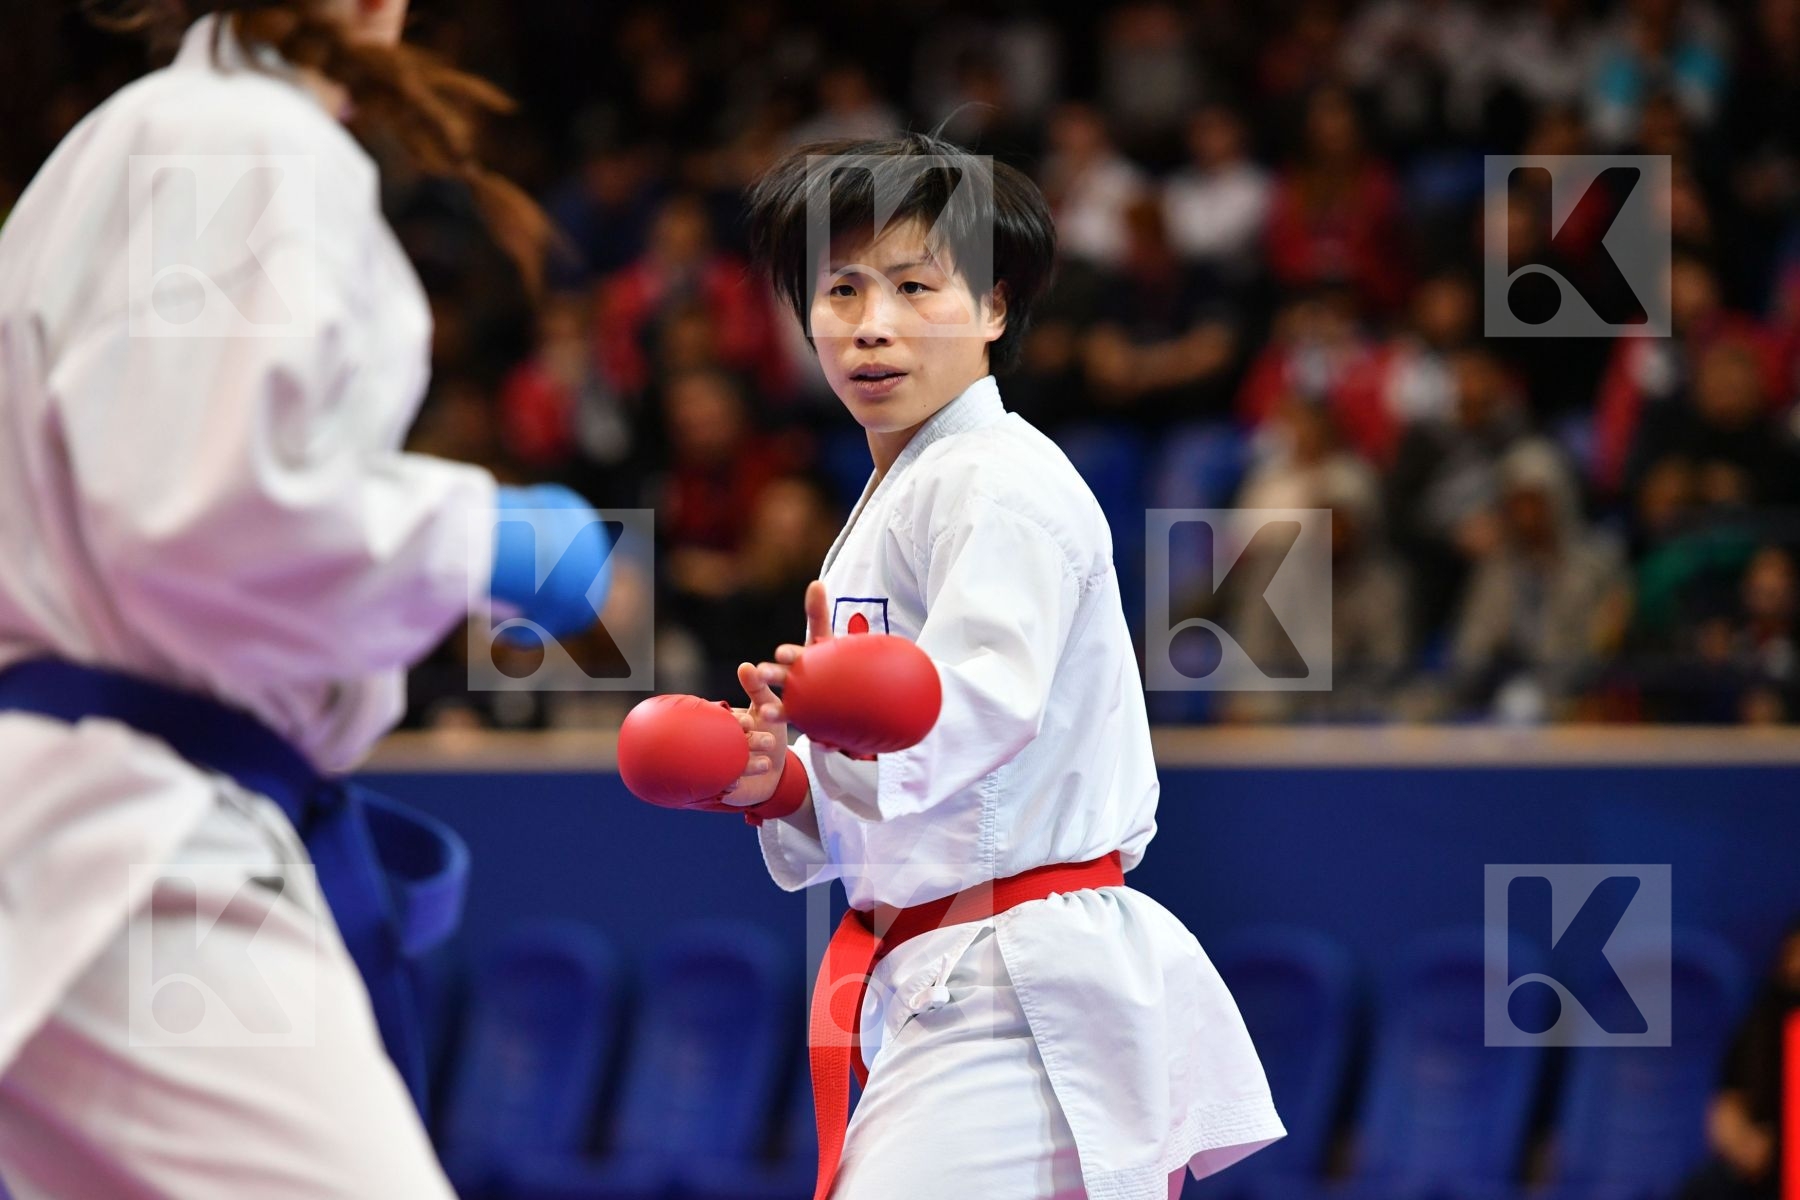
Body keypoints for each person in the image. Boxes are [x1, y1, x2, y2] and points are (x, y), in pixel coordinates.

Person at [0, 2, 605, 1196]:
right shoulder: (246, 140)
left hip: (83, 821)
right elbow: (195, 515)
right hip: (132, 842)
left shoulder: (132, 139)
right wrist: (475, 534)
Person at [720, 131, 1284, 1199]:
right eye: (840, 289)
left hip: (1014, 983)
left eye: (914, 286)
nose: (871, 324)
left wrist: (837, 716)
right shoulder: (910, 486)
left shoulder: (993, 482)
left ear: (994, 309)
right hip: (960, 967)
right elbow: (907, 788)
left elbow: (978, 711)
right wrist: (782, 781)